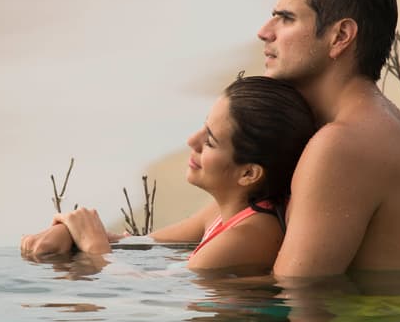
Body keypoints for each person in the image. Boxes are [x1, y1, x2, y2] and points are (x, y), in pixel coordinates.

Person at [23, 0, 400, 277]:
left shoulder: (341, 144)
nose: (264, 32)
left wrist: (100, 259)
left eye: (285, 18)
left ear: (340, 35)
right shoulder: (364, 122)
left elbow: (296, 292)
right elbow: (204, 228)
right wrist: (88, 237)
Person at [22, 75, 316, 273]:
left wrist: (94, 248)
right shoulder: (221, 212)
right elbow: (143, 244)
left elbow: (143, 294)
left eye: (210, 140)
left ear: (249, 173)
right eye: (203, 126)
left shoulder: (247, 236)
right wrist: (71, 229)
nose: (192, 140)